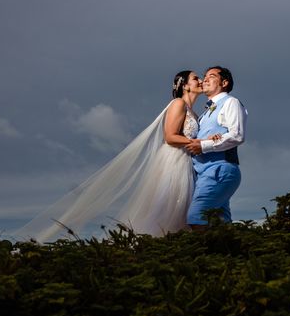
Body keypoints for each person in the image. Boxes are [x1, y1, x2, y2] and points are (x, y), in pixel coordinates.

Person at [16, 70, 204, 242]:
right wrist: (197, 143)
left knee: (181, 209)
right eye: (196, 78)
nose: (201, 81)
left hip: (186, 160)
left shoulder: (193, 112)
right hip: (174, 160)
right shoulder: (178, 104)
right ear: (185, 85)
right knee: (165, 208)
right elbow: (170, 136)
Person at [185, 66, 247, 228]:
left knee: (196, 217)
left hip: (220, 170)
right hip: (205, 173)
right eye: (204, 76)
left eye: (211, 76)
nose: (204, 79)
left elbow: (237, 135)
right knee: (221, 223)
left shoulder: (231, 102)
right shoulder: (205, 113)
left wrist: (204, 146)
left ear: (224, 82)